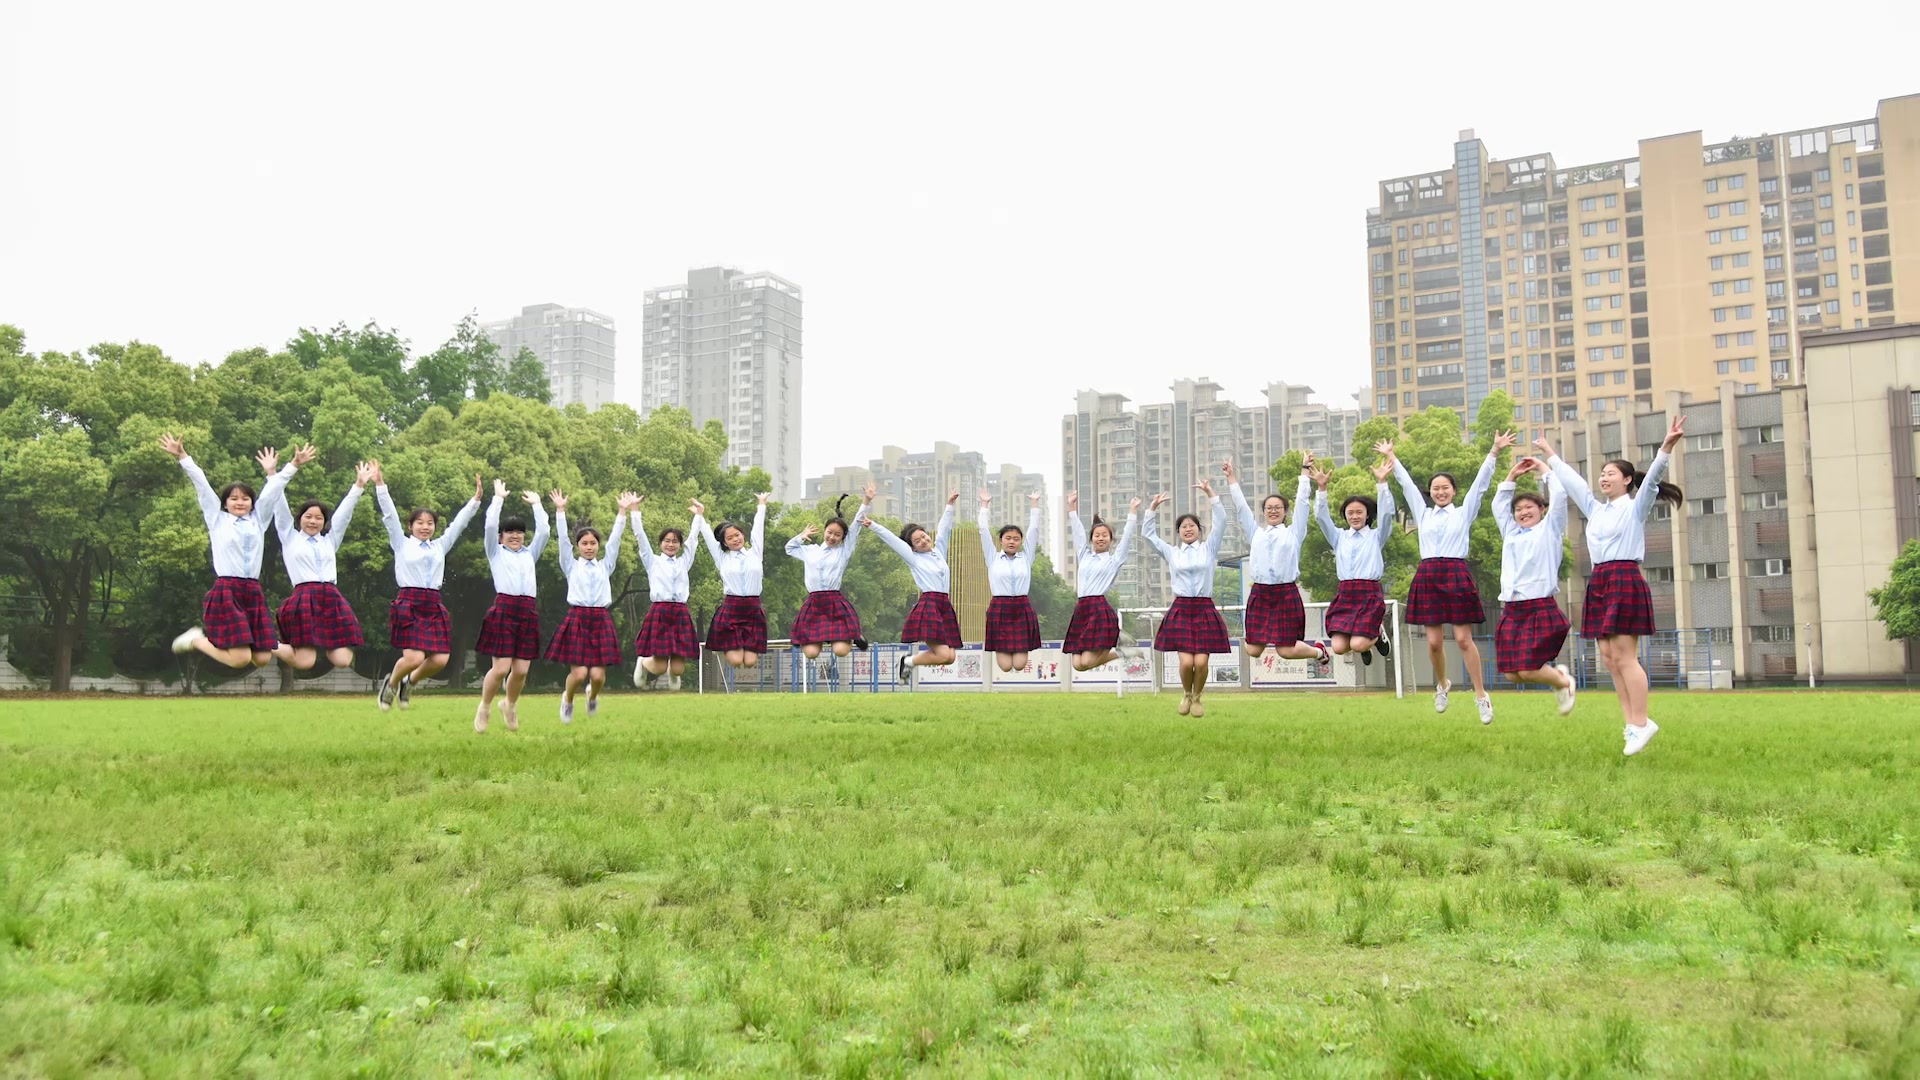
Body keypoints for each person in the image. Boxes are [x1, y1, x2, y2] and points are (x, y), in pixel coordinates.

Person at [1537, 415, 1686, 755]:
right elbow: (1574, 483)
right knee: (1607, 657)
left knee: (1625, 655)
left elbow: (1653, 482)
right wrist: (1549, 452)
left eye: (1611, 474)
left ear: (1627, 480)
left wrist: (1666, 447)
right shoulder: (1595, 509)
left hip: (1624, 578)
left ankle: (1641, 721)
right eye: (1601, 474)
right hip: (1601, 580)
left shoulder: (1634, 508)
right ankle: (1631, 724)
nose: (1604, 478)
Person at [1391, 433, 1514, 723]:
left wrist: (1494, 451)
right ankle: (1442, 684)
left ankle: (1481, 696)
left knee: (1462, 639)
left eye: (1445, 488)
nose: (1440, 492)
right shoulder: (1423, 513)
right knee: (1433, 643)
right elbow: (1407, 486)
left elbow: (1481, 485)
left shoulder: (1463, 513)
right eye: (1435, 488)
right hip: (1429, 575)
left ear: (1454, 491)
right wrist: (1393, 458)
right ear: (1431, 492)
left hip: (1456, 573)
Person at [162, 435, 296, 669]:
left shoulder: (259, 520)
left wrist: (291, 465)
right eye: (233, 498)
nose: (240, 502)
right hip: (228, 591)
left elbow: (273, 491)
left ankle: (214, 642)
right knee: (241, 659)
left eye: (245, 498)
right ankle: (196, 641)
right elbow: (201, 485)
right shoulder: (217, 519)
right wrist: (183, 456)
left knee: (263, 658)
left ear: (252, 503)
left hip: (252, 591)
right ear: (225, 503)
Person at [374, 469, 483, 711]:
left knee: (440, 660)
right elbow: (390, 516)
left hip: (433, 604)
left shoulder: (439, 547)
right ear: (411, 526)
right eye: (420, 523)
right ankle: (390, 685)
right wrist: (380, 484)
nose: (425, 527)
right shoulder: (401, 544)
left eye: (430, 523)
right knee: (414, 657)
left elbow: (459, 524)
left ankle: (408, 682)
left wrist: (475, 500)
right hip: (409, 603)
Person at [268, 453, 375, 673]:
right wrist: (272, 474)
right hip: (305, 598)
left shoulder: (329, 541)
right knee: (305, 662)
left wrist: (359, 485)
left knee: (343, 660)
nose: (313, 521)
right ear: (300, 518)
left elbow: (344, 516)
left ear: (324, 522)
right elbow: (279, 508)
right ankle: (263, 641)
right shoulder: (290, 538)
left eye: (318, 518)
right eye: (308, 516)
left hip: (331, 599)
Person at [1224, 456, 1330, 672]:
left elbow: (1301, 503)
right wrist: (1231, 478)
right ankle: (1313, 649)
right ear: (1263, 512)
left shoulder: (1294, 533)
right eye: (1269, 507)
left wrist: (1304, 472)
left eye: (1278, 507)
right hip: (1261, 594)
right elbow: (1242, 508)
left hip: (1285, 593)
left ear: (1285, 512)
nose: (1273, 510)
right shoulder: (1256, 534)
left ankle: (1319, 651)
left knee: (1286, 651)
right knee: (1252, 649)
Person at [1491, 457, 1577, 715]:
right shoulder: (1510, 532)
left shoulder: (1549, 529)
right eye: (1518, 509)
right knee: (1512, 675)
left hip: (1538, 605)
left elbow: (1560, 496)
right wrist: (1511, 476)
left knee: (1528, 669)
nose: (1523, 512)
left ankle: (1563, 682)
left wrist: (1543, 470)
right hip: (1512, 608)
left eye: (1529, 507)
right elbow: (1498, 505)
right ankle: (1558, 674)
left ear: (1541, 509)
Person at [1141, 482, 1231, 717]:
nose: (1187, 529)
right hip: (1182, 608)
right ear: (1178, 531)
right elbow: (1148, 536)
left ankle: (1198, 697)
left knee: (1200, 663)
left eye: (1192, 525)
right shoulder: (1172, 552)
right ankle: (1186, 694)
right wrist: (1152, 509)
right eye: (1183, 526)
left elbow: (1221, 521)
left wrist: (1211, 494)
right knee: (1185, 663)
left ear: (1199, 530)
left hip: (1204, 609)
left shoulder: (1209, 549)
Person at [546, 490, 637, 722]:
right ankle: (567, 700)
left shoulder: (605, 566)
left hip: (600, 619)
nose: (589, 547)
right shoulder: (570, 565)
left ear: (598, 545)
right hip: (577, 619)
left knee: (597, 676)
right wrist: (560, 510)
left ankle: (592, 696)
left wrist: (622, 511)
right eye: (584, 543)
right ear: (578, 546)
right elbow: (563, 541)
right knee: (578, 674)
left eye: (593, 543)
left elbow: (615, 540)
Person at [861, 491, 963, 683]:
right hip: (930, 605)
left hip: (944, 604)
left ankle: (909, 662)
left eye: (924, 536)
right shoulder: (914, 558)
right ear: (913, 547)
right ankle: (907, 661)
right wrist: (873, 526)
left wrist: (949, 504)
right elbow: (893, 541)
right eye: (918, 541)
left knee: (950, 657)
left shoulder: (938, 552)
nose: (924, 541)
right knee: (942, 655)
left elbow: (944, 529)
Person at [473, 481, 550, 732]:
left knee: (520, 671)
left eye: (519, 532)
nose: (515, 535)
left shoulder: (530, 553)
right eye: (510, 532)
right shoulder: (495, 552)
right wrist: (497, 499)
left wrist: (537, 505)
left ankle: (510, 704)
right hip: (504, 610)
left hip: (527, 612)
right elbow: (489, 525)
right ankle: (484, 707)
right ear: (501, 536)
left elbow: (545, 533)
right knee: (501, 668)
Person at [1311, 451, 1398, 662]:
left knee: (1357, 643)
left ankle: (1376, 635)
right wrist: (1322, 488)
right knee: (1340, 647)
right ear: (1345, 516)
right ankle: (1365, 646)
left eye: (1359, 512)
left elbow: (1386, 514)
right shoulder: (1339, 537)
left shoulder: (1377, 536)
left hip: (1369, 593)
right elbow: (1321, 518)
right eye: (1350, 513)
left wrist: (1382, 483)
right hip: (1346, 593)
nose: (1355, 516)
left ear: (1367, 514)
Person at [786, 486, 875, 664]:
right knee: (811, 653)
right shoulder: (810, 550)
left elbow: (856, 526)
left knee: (841, 651)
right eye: (830, 533)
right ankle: (838, 634)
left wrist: (866, 501)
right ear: (824, 531)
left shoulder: (844, 551)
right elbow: (789, 548)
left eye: (837, 535)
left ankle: (852, 635)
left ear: (843, 538)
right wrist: (801, 536)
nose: (832, 537)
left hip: (834, 602)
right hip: (814, 603)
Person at [1063, 492, 1141, 672]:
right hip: (1081, 609)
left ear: (1110, 540)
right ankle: (1124, 652)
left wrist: (1132, 512)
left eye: (1105, 535)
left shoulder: (1114, 560)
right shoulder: (1084, 556)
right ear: (1091, 539)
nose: (1100, 538)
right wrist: (1072, 508)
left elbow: (1127, 538)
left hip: (1099, 610)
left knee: (1088, 662)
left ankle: (1125, 650)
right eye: (1097, 535)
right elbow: (1077, 533)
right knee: (1078, 665)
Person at [631, 497, 702, 690]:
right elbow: (640, 536)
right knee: (660, 667)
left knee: (678, 669)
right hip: (660, 612)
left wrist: (698, 515)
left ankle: (674, 674)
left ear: (679, 544)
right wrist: (635, 508)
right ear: (661, 543)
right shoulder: (652, 561)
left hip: (680, 612)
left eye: (675, 541)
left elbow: (693, 540)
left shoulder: (683, 562)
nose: (671, 545)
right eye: (667, 541)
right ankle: (643, 662)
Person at [696, 494, 772, 673]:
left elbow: (758, 530)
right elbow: (707, 536)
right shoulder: (722, 557)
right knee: (737, 661)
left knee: (750, 662)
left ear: (743, 535)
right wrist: (700, 515)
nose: (735, 539)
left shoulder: (755, 553)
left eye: (737, 535)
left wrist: (761, 504)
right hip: (732, 609)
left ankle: (743, 644)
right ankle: (730, 643)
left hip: (753, 609)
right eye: (729, 538)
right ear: (724, 543)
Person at [977, 489, 1045, 674]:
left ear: (1021, 541)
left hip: (1022, 607)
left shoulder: (1026, 557)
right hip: (1000, 607)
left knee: (1020, 664)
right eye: (1008, 538)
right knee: (1006, 666)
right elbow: (983, 531)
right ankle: (1003, 649)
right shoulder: (992, 557)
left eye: (1016, 539)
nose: (1012, 542)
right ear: (1000, 541)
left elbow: (1034, 530)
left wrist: (1034, 505)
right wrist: (984, 505)